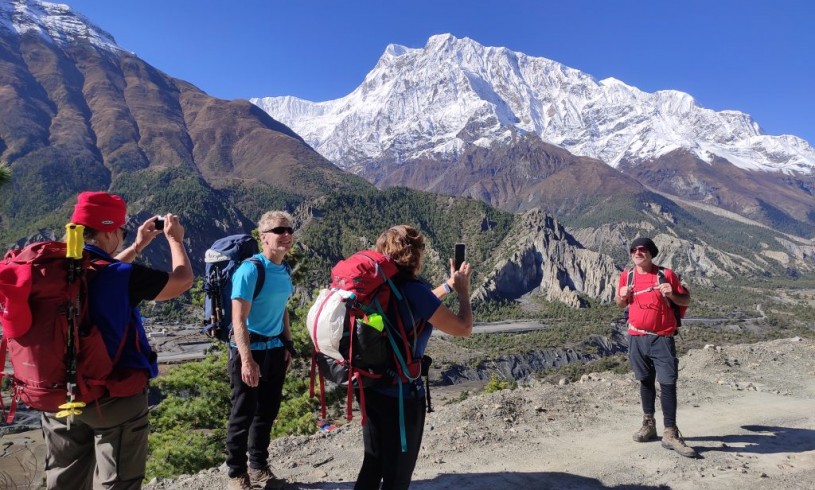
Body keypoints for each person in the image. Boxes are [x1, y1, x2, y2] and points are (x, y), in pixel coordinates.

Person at [41, 191, 194, 489]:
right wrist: (175, 240)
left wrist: (137, 246)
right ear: (109, 230)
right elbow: (182, 281)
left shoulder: (54, 270)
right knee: (118, 481)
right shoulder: (121, 276)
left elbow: (102, 272)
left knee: (64, 478)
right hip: (112, 395)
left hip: (57, 393)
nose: (122, 237)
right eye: (121, 231)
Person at [355, 225, 474, 490]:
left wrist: (448, 286)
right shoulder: (414, 289)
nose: (423, 252)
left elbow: (417, 305)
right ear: (414, 254)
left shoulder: (381, 284)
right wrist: (464, 291)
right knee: (397, 477)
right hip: (402, 396)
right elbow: (464, 328)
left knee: (372, 464)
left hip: (370, 387)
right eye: (421, 248)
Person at [226, 211, 295, 490]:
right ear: (263, 237)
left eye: (289, 229)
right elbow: (238, 319)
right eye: (279, 230)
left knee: (267, 411)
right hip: (250, 351)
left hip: (275, 349)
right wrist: (246, 359)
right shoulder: (250, 270)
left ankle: (258, 467)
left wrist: (287, 343)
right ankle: (236, 474)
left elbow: (283, 309)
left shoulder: (284, 269)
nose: (286, 235)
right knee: (243, 413)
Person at [615, 237, 696, 458]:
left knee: (668, 382)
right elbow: (621, 303)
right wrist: (622, 297)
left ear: (651, 253)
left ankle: (670, 432)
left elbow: (685, 300)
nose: (638, 253)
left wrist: (671, 294)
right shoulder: (627, 276)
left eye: (642, 250)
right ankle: (649, 424)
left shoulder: (666, 275)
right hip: (636, 337)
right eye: (634, 250)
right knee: (645, 380)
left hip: (662, 338)